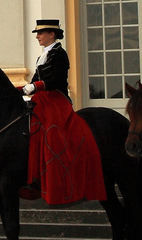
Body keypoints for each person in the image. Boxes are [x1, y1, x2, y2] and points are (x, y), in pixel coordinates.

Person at [19, 19, 103, 205]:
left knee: (52, 132)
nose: (38, 37)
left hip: (56, 99)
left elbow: (57, 80)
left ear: (52, 34)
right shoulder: (42, 56)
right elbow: (34, 80)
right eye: (37, 34)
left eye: (41, 33)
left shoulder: (60, 54)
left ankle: (53, 172)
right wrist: (22, 88)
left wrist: (35, 86)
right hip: (42, 98)